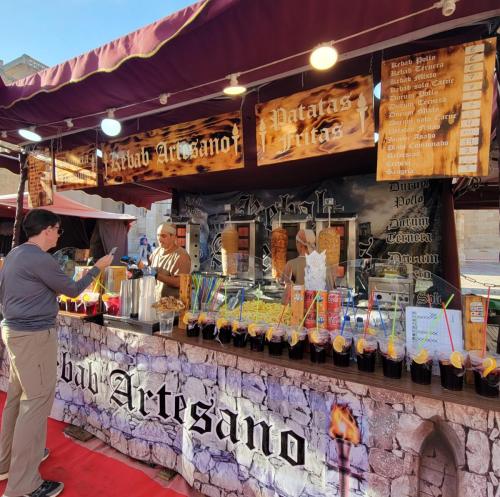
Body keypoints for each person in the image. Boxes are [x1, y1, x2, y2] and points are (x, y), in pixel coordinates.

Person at [0, 209, 113, 497]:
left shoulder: (16, 254)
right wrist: (98, 266)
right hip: (33, 336)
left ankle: (8, 461)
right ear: (48, 229)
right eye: (58, 230)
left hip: (15, 332)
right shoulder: (39, 258)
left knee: (18, 397)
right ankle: (23, 484)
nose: (58, 236)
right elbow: (73, 290)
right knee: (33, 404)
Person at [148, 222, 191, 300]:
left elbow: (179, 282)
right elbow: (150, 270)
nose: (159, 239)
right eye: (158, 235)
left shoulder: (181, 256)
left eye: (163, 236)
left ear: (173, 237)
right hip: (158, 302)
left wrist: (157, 275)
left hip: (174, 306)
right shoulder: (156, 252)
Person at [282, 229, 316, 300]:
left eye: (296, 242)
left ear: (300, 244)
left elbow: (286, 291)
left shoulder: (291, 264)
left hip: (297, 305)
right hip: (317, 306)